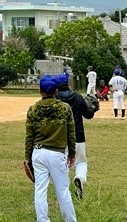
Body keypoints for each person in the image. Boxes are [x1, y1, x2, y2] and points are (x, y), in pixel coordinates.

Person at [25, 75, 77, 222]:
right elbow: (71, 134)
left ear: (40, 91)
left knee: (40, 190)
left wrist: (27, 158)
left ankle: (42, 219)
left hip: (38, 152)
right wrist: (72, 154)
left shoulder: (33, 110)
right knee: (62, 190)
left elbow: (29, 136)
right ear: (56, 91)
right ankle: (70, 220)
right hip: (57, 153)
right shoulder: (64, 109)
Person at [55, 74, 97, 199]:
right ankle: (79, 178)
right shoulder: (78, 97)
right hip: (78, 135)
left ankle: (64, 190)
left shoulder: (55, 99)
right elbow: (88, 115)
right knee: (81, 162)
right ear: (68, 83)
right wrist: (93, 108)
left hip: (60, 136)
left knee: (64, 163)